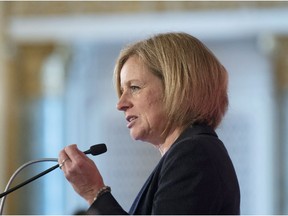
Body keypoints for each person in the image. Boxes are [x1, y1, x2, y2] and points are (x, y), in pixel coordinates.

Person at [58, 32, 240, 215]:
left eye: (134, 87)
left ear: (176, 87)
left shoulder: (194, 154)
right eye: (121, 91)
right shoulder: (189, 152)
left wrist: (94, 192)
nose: (120, 104)